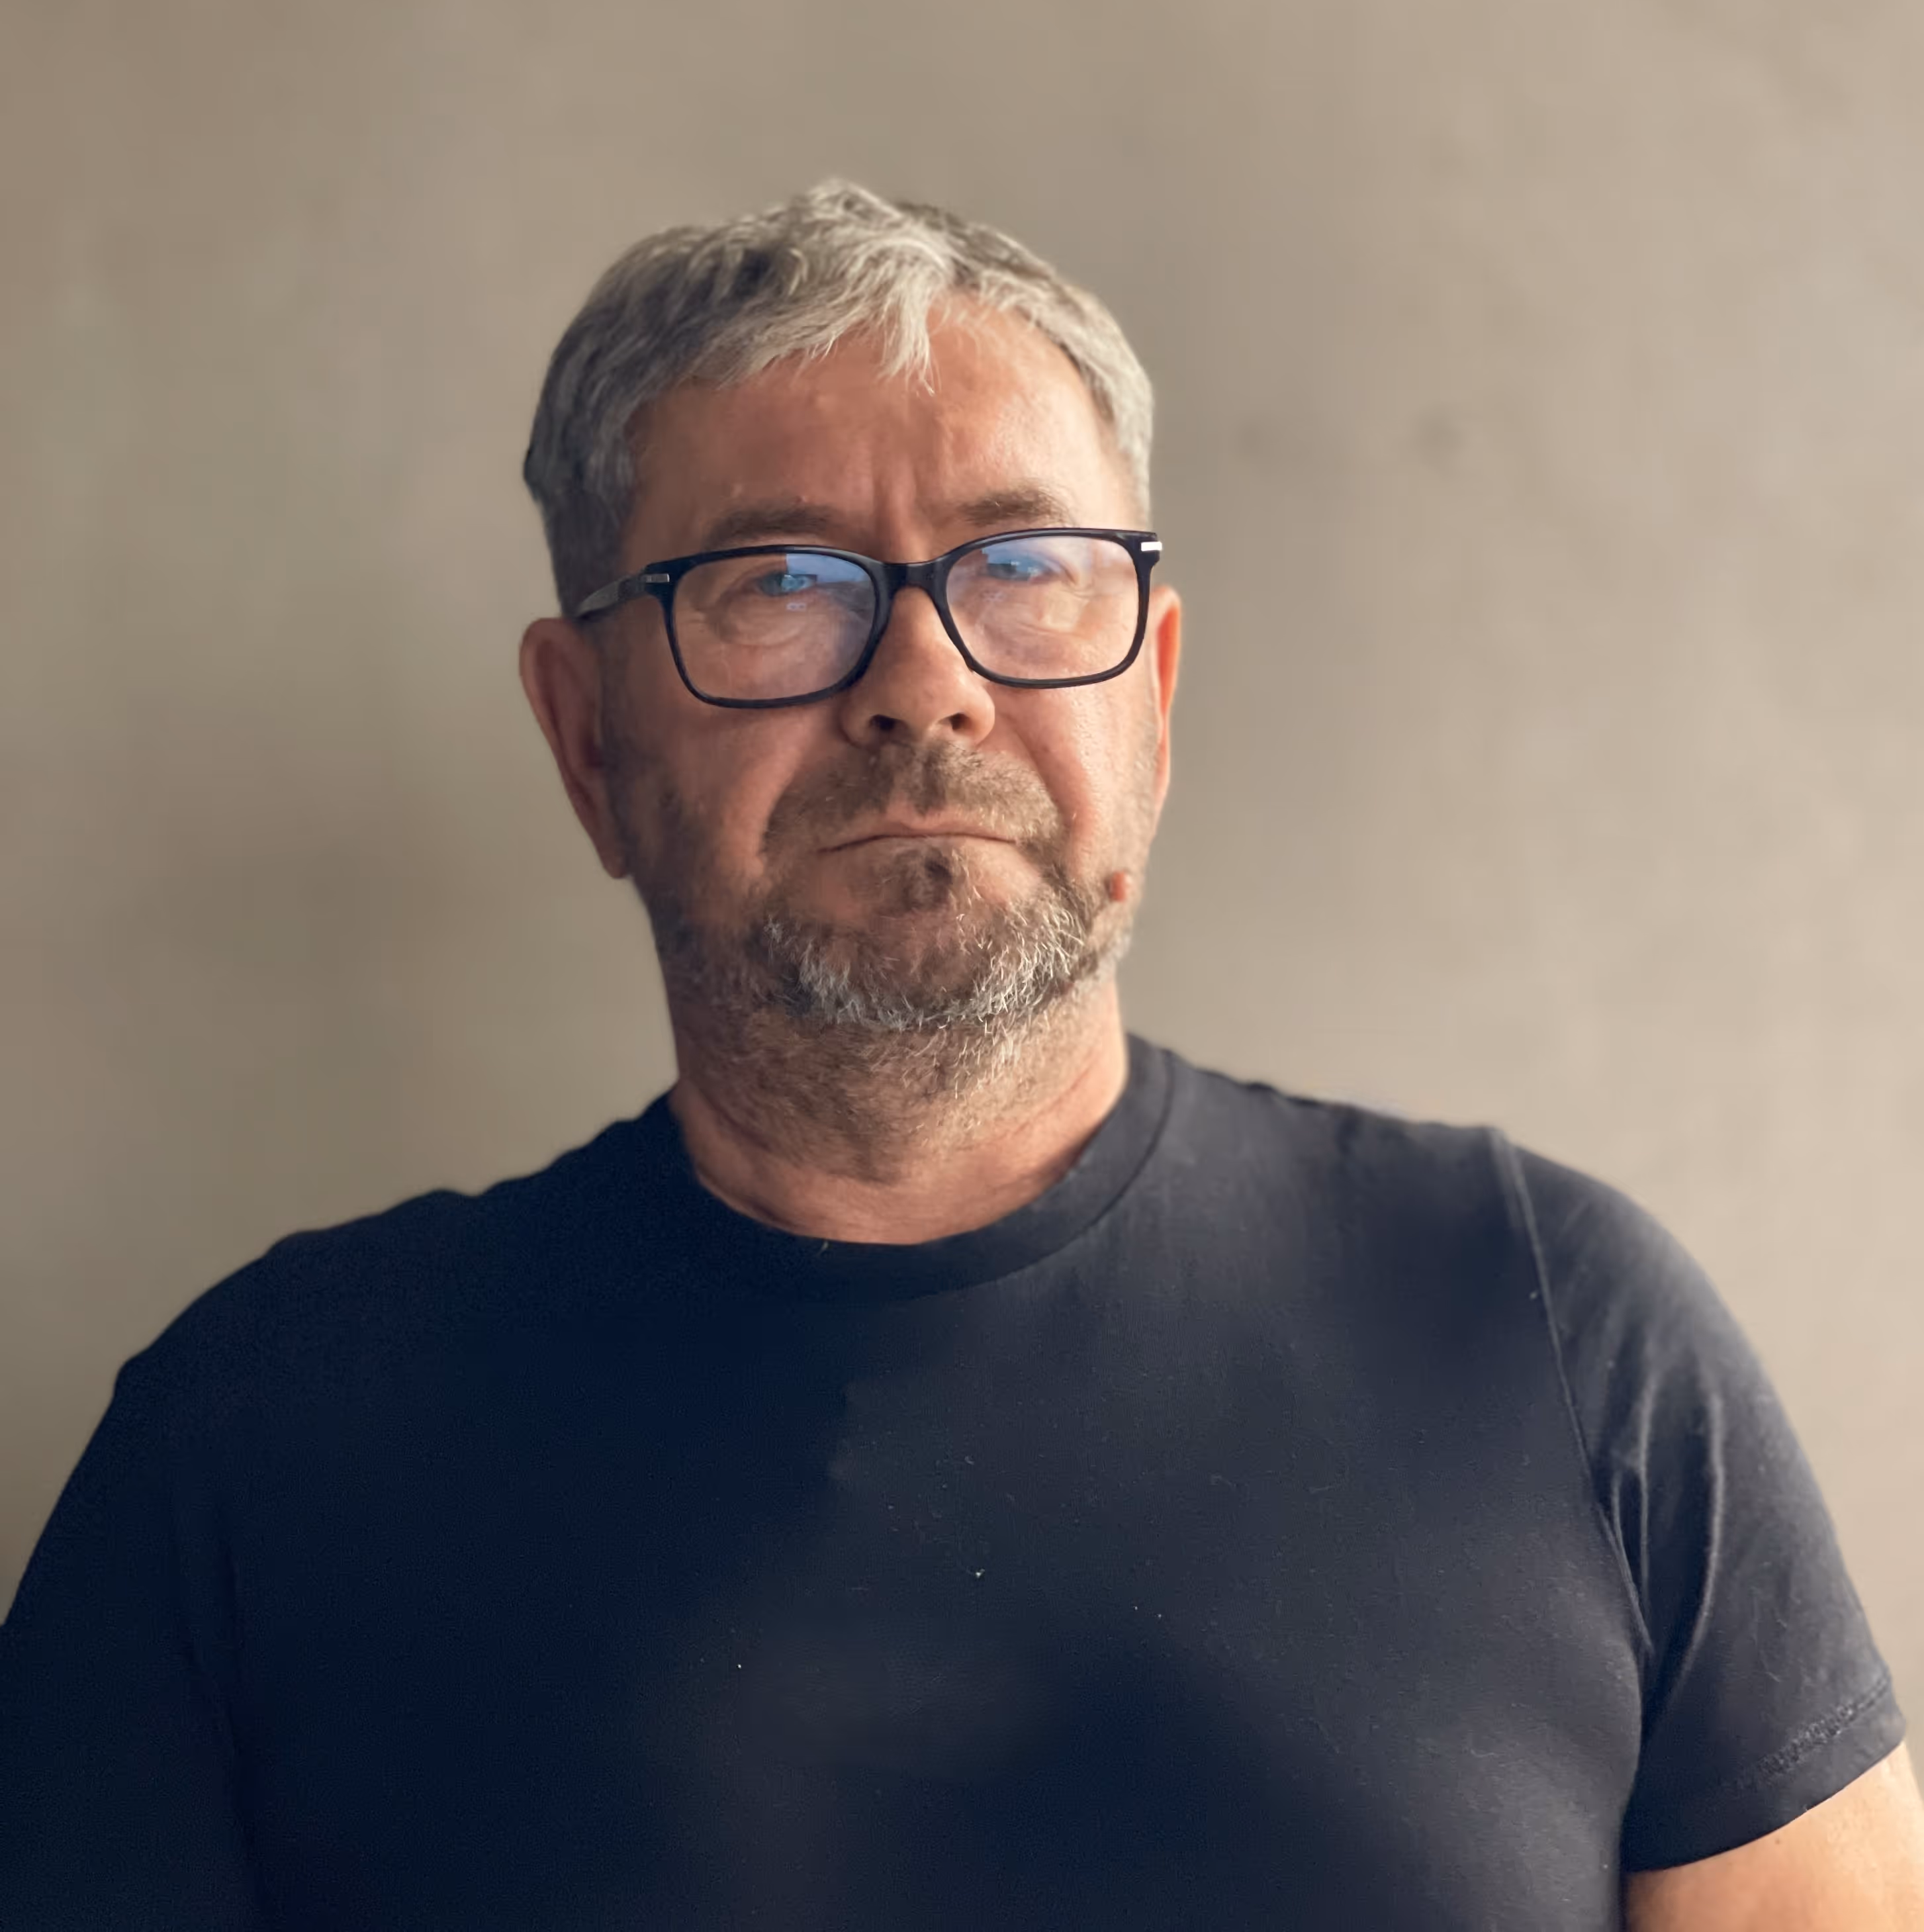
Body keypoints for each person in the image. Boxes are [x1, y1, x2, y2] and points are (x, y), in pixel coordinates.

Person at [2, 180, 1920, 1932]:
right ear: (586, 737)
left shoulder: (1555, 1332)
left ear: (1152, 696)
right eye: (778, 588)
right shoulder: (258, 1450)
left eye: (1024, 572)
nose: (925, 682)